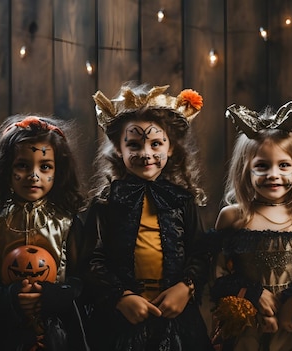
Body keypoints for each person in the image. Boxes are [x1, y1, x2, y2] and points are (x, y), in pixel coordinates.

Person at [81, 82, 213, 351]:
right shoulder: (105, 203)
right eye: (134, 145)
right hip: (120, 318)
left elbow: (200, 252)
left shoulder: (182, 200)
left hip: (176, 318)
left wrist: (185, 288)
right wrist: (120, 297)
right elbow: (91, 258)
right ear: (119, 148)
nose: (146, 154)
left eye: (156, 144)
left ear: (171, 147)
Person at [209, 100, 292, 351]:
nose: (273, 174)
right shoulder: (233, 217)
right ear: (244, 170)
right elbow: (218, 273)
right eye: (261, 166)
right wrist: (253, 296)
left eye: (284, 165)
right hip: (248, 326)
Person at [0, 114, 90, 350]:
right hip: (3, 331)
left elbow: (83, 279)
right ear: (6, 167)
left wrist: (53, 296)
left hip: (57, 331)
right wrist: (11, 297)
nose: (33, 175)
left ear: (58, 170)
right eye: (22, 165)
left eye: (45, 167)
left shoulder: (67, 221)